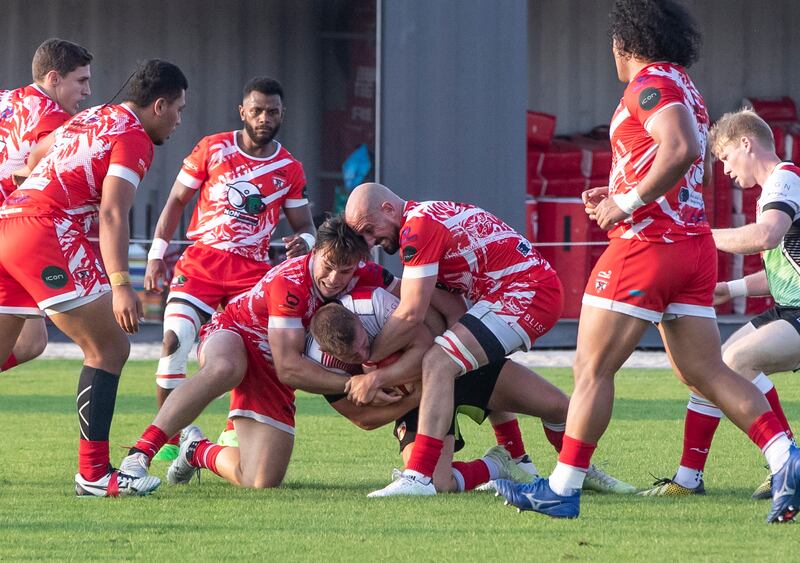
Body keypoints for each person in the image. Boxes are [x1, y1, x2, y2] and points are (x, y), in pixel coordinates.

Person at [493, 0, 799, 524]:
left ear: (625, 42)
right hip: (691, 246)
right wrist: (618, 188)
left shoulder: (648, 83)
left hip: (646, 245)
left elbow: (677, 149)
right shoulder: (687, 87)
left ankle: (563, 488)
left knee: (592, 368)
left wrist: (626, 204)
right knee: (707, 370)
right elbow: (681, 165)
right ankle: (784, 457)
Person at [0, 59, 187, 497]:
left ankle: (95, 474)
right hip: (44, 231)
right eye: (178, 109)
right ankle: (94, 475)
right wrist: (121, 284)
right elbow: (112, 212)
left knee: (12, 348)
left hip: (9, 222)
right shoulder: (136, 136)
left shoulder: (92, 115)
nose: (179, 120)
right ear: (158, 105)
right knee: (109, 347)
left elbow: (35, 156)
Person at [118, 216, 398, 489]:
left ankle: (197, 450)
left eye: (345, 270)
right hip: (236, 333)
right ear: (315, 252)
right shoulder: (290, 283)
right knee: (225, 368)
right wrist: (354, 383)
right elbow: (289, 368)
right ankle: (139, 455)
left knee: (261, 480)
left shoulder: (367, 274)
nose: (335, 278)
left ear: (359, 264)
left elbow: (412, 298)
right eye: (328, 266)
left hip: (273, 368)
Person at [343, 182, 565, 497]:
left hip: (524, 293)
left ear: (389, 209)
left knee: (438, 360)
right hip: (516, 292)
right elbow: (454, 314)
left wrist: (372, 364)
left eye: (368, 229)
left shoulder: (416, 229)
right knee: (457, 357)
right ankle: (529, 462)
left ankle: (417, 478)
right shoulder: (426, 218)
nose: (370, 241)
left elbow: (410, 314)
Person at [309, 287, 635, 495]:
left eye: (366, 344)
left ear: (357, 321)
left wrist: (378, 379)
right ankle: (499, 465)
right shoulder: (319, 362)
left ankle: (579, 471)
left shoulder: (375, 305)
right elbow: (363, 420)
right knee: (438, 484)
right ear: (332, 356)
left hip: (457, 370)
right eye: (354, 358)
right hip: (415, 403)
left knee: (562, 409)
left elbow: (427, 349)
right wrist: (419, 396)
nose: (365, 357)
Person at [144, 76, 315, 460]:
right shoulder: (212, 148)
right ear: (242, 111)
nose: (263, 117)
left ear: (282, 114)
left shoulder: (289, 168)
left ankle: (231, 432)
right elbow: (175, 202)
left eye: (272, 111)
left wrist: (304, 242)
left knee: (251, 356)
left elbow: (306, 227)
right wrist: (157, 252)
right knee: (174, 342)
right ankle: (171, 444)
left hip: (252, 275)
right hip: (201, 263)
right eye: (256, 110)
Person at [639, 108, 797, 498]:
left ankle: (788, 461)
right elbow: (785, 273)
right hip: (791, 309)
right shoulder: (775, 192)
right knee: (709, 370)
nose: (724, 170)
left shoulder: (786, 178)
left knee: (733, 363)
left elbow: (765, 236)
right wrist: (731, 288)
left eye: (725, 157)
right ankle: (689, 479)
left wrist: (698, 235)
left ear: (747, 143)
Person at [0, 38, 92, 375]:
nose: (88, 92)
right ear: (53, 78)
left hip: (9, 238)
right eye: (81, 81)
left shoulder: (7, 99)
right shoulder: (55, 121)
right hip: (12, 234)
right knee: (105, 345)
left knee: (31, 343)